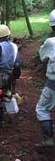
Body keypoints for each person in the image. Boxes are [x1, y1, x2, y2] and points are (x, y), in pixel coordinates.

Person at [0, 24, 20, 129]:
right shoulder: (15, 46)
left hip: (0, 75)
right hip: (9, 75)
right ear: (8, 35)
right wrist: (15, 76)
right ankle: (1, 120)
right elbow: (16, 64)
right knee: (3, 95)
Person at [35, 9, 55, 147]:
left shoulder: (51, 42)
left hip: (53, 82)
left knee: (42, 108)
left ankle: (48, 139)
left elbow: (42, 57)